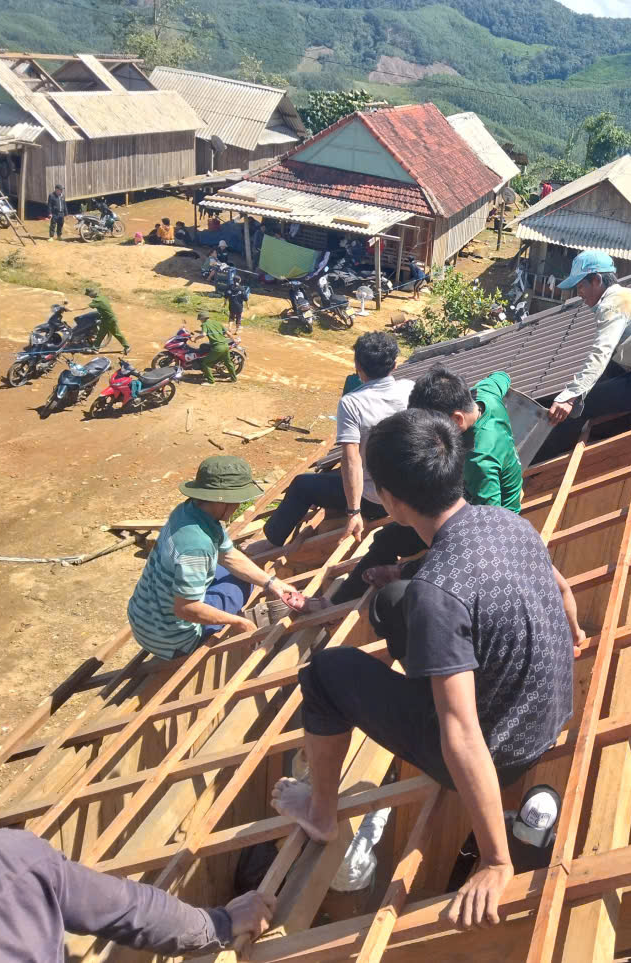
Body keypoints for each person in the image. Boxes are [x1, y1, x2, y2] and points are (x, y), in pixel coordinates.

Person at [272, 408, 574, 930]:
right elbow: (558, 588)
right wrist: (400, 574)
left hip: (500, 748)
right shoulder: (507, 523)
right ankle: (420, 653)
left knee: (323, 673)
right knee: (392, 599)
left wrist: (496, 861)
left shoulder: (440, 596)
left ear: (390, 499)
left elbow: (460, 732)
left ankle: (320, 812)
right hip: (548, 714)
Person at [332, 365, 522, 603]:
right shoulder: (485, 396)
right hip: (474, 495)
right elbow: (501, 376)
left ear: (457, 419)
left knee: (441, 558)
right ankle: (340, 600)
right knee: (389, 537)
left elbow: (488, 529)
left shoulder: (478, 461)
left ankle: (400, 573)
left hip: (495, 523)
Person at [0, 829, 275, 961]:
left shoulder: (10, 859)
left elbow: (126, 906)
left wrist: (219, 925)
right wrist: (219, 924)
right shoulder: (7, 858)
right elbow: (127, 907)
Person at [127, 457, 302, 659]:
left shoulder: (189, 511)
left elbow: (228, 555)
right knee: (242, 584)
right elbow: (186, 609)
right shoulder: (196, 548)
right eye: (237, 500)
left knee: (239, 572)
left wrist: (272, 583)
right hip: (173, 639)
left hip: (143, 617)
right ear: (222, 500)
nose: (238, 505)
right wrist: (238, 622)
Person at [255, 332, 406, 549]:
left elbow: (352, 459)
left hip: (375, 501)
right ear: (395, 365)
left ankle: (270, 542)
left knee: (301, 485)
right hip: (407, 494)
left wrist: (354, 511)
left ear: (357, 366)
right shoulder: (408, 390)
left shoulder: (353, 403)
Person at [540, 250, 631, 458]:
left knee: (581, 405)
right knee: (601, 378)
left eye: (581, 286)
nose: (579, 294)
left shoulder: (612, 304)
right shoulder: (629, 296)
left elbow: (600, 352)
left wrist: (570, 397)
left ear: (596, 280)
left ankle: (542, 459)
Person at [86, 286, 129, 355]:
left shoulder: (97, 301)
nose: (88, 296)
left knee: (116, 333)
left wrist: (72, 309)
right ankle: (95, 348)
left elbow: (85, 307)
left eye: (88, 294)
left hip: (109, 320)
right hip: (107, 319)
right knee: (101, 333)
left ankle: (127, 347)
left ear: (91, 293)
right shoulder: (102, 297)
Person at [197, 311, 237, 384]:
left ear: (202, 318)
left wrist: (195, 338)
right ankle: (233, 379)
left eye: (200, 319)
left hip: (217, 347)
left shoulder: (204, 324)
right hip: (225, 345)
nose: (200, 321)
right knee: (228, 363)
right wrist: (234, 340)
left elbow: (203, 334)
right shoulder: (217, 323)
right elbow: (228, 333)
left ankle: (211, 382)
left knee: (205, 363)